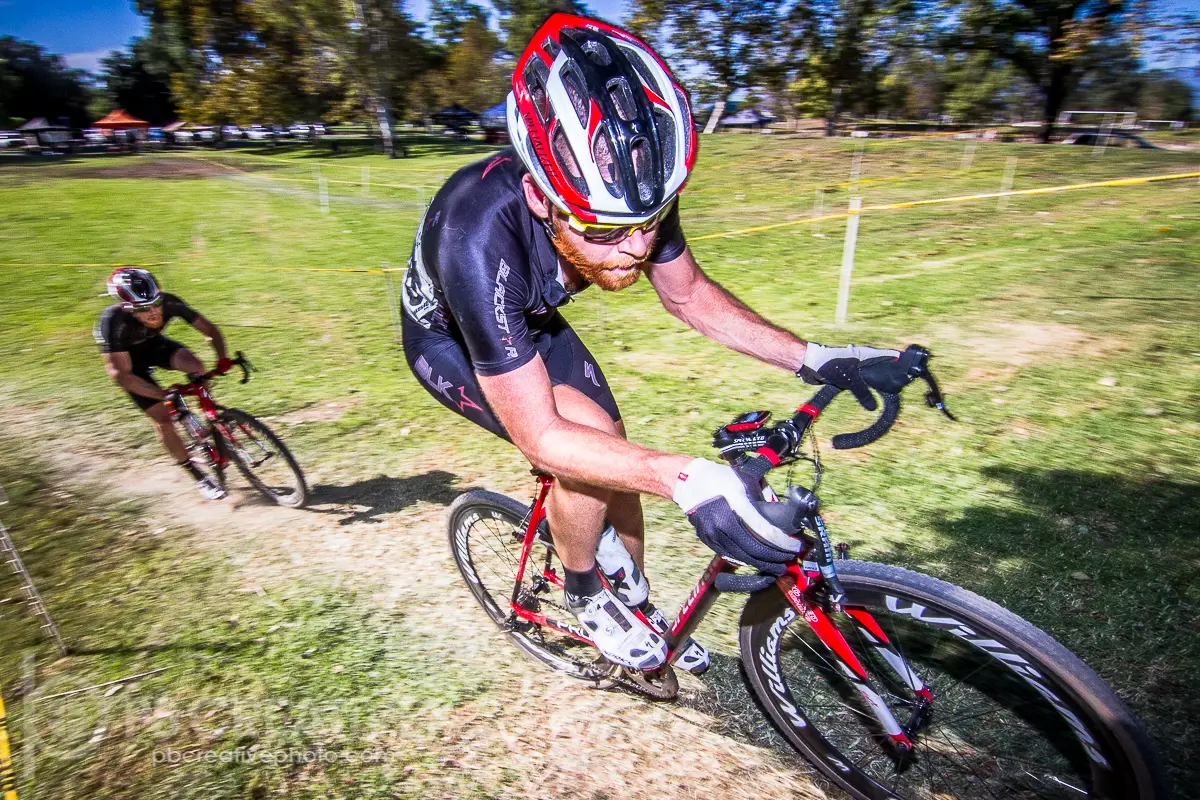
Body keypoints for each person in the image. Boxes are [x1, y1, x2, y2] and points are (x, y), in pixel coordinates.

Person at [401, 13, 900, 672]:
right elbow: (543, 438)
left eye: (648, 223)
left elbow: (689, 295)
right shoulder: (478, 235)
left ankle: (634, 599)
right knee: (580, 449)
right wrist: (688, 479)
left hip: (530, 312)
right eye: (604, 231)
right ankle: (586, 593)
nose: (635, 248)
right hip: (450, 337)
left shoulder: (629, 185)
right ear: (540, 197)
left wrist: (818, 358)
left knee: (617, 456)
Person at [95, 268, 234, 500]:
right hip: (131, 369)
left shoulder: (170, 303)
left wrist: (222, 358)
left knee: (197, 367)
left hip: (155, 347)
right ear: (126, 307)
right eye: (142, 309)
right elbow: (121, 375)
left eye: (156, 303)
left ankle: (212, 420)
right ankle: (198, 476)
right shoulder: (112, 323)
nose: (153, 312)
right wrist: (162, 395)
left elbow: (210, 330)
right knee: (163, 419)